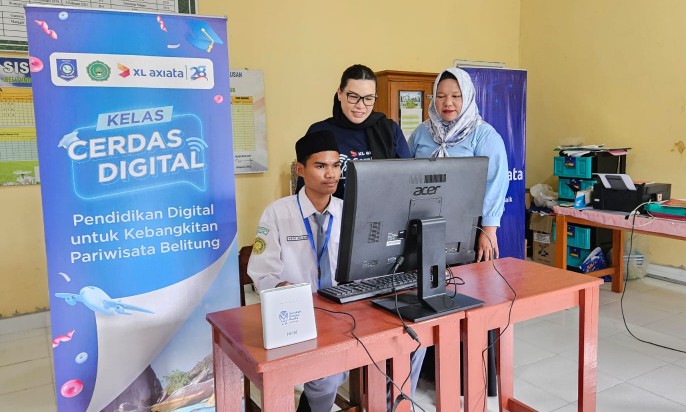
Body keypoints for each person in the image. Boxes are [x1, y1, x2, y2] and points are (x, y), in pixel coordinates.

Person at [247, 129, 345, 412]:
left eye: (336, 165)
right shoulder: (277, 213)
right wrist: (281, 289)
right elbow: (261, 273)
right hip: (295, 313)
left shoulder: (346, 210)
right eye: (321, 166)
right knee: (327, 377)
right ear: (300, 170)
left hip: (340, 311)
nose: (331, 174)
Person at [408, 68, 509, 261]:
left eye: (456, 96)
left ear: (468, 96)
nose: (448, 102)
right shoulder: (422, 131)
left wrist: (488, 231)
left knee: (467, 285)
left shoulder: (484, 135)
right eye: (441, 96)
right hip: (423, 224)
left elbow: (495, 183)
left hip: (469, 227)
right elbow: (404, 174)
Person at [307, 64, 411, 199]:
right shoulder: (319, 132)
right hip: (333, 217)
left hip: (383, 214)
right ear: (340, 94)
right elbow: (307, 188)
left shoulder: (389, 130)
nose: (360, 106)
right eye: (353, 96)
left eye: (368, 98)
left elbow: (408, 180)